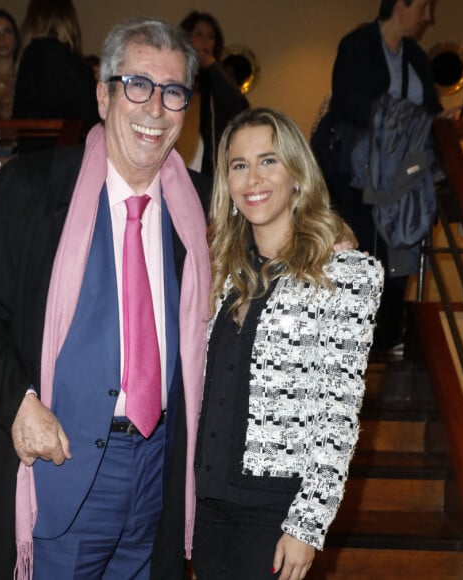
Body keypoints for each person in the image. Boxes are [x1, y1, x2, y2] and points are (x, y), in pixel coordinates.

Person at [0, 17, 211, 580]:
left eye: (173, 93)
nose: (155, 109)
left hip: (158, 477)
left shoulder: (202, 211)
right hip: (57, 473)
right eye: (138, 85)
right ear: (103, 93)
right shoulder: (29, 189)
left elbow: (280, 219)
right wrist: (18, 403)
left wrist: (331, 234)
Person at [191, 107, 384, 580]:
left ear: (297, 174)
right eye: (239, 165)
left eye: (268, 161)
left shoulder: (346, 275)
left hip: (275, 513)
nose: (252, 178)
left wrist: (308, 523)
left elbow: (339, 411)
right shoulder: (219, 270)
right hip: (207, 504)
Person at [324, 0, 443, 359]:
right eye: (423, 6)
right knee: (365, 254)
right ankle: (354, 344)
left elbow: (433, 111)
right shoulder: (357, 44)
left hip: (402, 178)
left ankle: (386, 340)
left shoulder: (416, 55)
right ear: (400, 5)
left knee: (399, 256)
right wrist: (408, 120)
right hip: (357, 175)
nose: (428, 17)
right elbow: (348, 101)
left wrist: (421, 122)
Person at [12, 0, 99, 145]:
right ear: (68, 21)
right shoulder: (68, 60)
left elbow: (19, 116)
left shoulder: (27, 58)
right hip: (64, 158)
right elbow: (91, 117)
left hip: (30, 157)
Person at [178, 10, 249, 178]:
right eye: (199, 34)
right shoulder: (175, 75)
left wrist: (213, 67)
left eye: (211, 37)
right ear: (186, 38)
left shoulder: (219, 76)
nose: (206, 41)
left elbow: (241, 111)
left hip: (209, 171)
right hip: (177, 166)